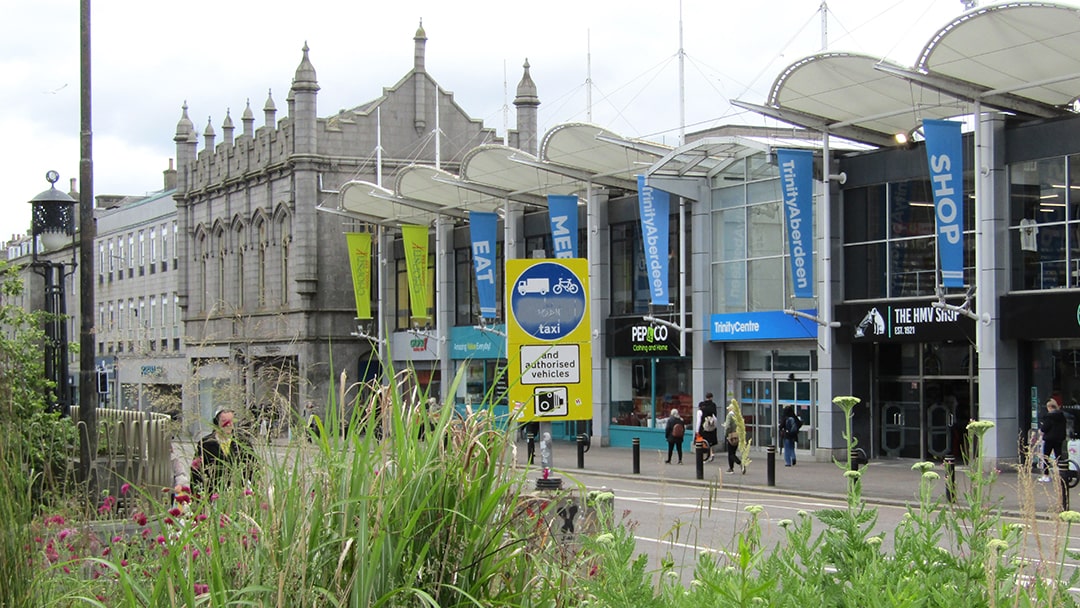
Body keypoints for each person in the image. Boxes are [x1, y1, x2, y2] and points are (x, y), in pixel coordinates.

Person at [191, 408, 254, 493]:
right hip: (213, 493)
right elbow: (195, 471)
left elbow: (253, 468)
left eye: (231, 421)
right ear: (217, 422)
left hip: (237, 493)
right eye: (224, 421)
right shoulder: (206, 443)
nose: (228, 424)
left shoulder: (242, 442)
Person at [1039, 397, 1068, 482]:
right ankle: (1062, 473)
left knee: (1046, 457)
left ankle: (1046, 475)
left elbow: (1045, 428)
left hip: (1049, 439)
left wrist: (1041, 430)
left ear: (1050, 407)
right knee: (1058, 456)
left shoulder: (1049, 416)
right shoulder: (1062, 416)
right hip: (1059, 438)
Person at [724, 401, 745, 474]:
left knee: (731, 453)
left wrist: (726, 434)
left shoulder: (730, 416)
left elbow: (727, 426)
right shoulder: (738, 415)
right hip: (737, 435)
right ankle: (731, 468)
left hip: (731, 435)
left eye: (729, 408)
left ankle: (739, 463)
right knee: (733, 452)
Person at [698, 392, 719, 462]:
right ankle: (711, 453)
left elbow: (700, 417)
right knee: (710, 442)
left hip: (704, 426)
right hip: (711, 425)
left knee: (705, 441)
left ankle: (707, 455)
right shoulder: (713, 405)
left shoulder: (702, 405)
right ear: (711, 397)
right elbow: (715, 416)